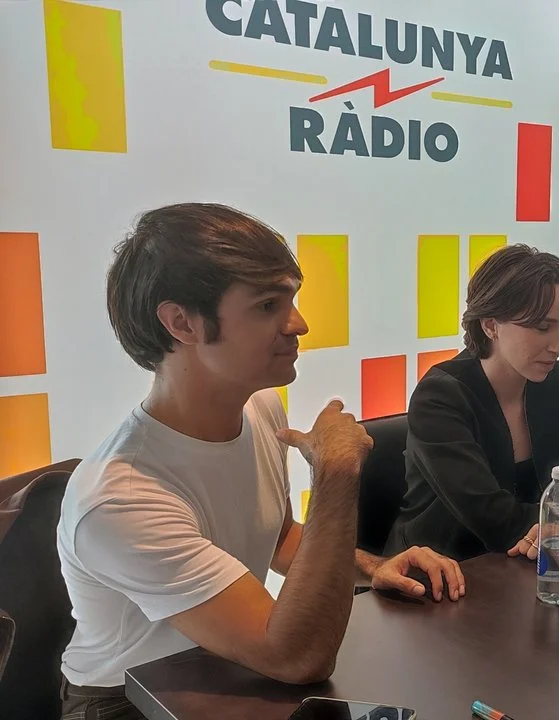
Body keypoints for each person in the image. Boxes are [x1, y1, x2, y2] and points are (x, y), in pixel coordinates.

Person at [57, 204, 464, 720]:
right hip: (130, 701)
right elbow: (297, 658)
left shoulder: (260, 407)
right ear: (181, 323)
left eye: (291, 300)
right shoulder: (121, 498)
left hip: (224, 668)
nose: (299, 323)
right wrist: (335, 472)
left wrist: (373, 567)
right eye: (269, 304)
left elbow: (278, 537)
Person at [385, 245, 559, 562]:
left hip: (526, 565)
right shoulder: (439, 397)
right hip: (440, 573)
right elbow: (495, 522)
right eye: (542, 327)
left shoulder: (555, 381)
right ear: (490, 325)